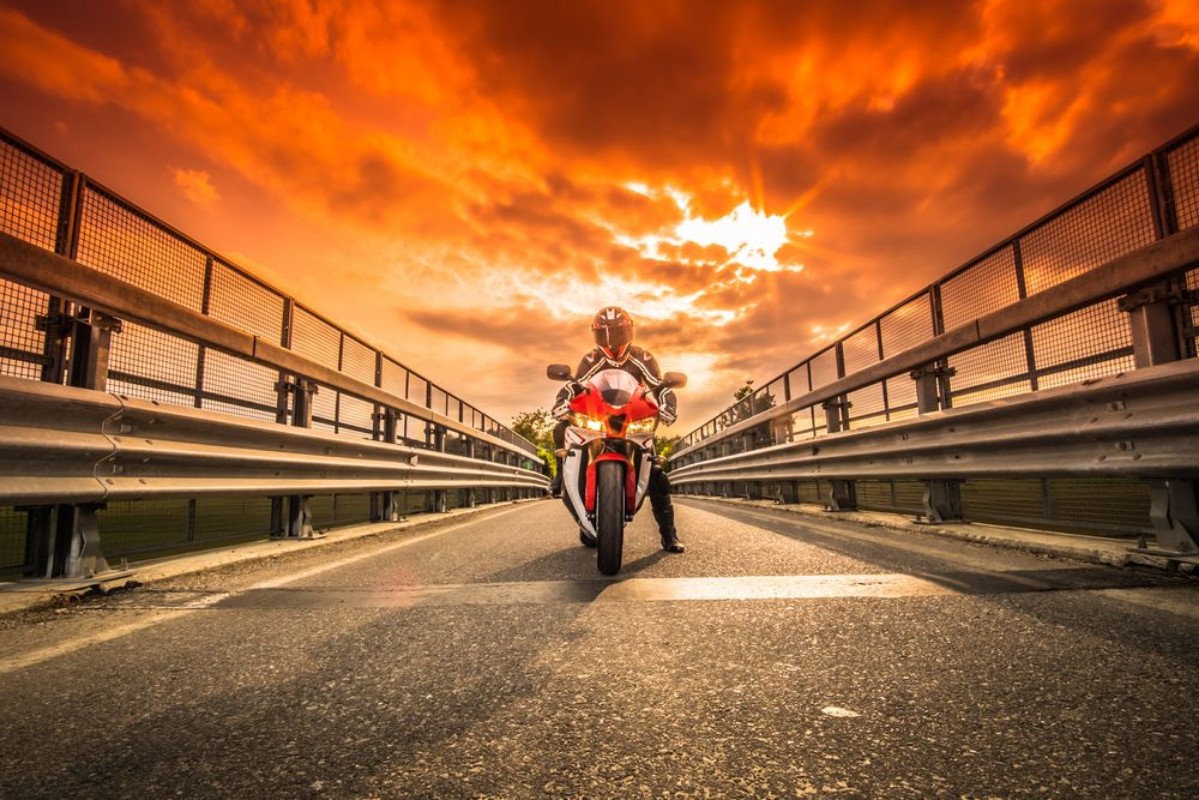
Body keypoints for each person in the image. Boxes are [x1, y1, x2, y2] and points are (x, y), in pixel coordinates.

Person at [549, 306, 685, 554]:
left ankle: (669, 535)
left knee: (657, 475)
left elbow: (660, 387)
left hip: (632, 422)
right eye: (605, 332)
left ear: (629, 330)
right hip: (599, 421)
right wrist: (560, 403)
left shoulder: (642, 358)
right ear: (596, 334)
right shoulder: (591, 359)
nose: (611, 338)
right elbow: (575, 386)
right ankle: (560, 476)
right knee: (562, 429)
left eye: (617, 331)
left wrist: (668, 407)